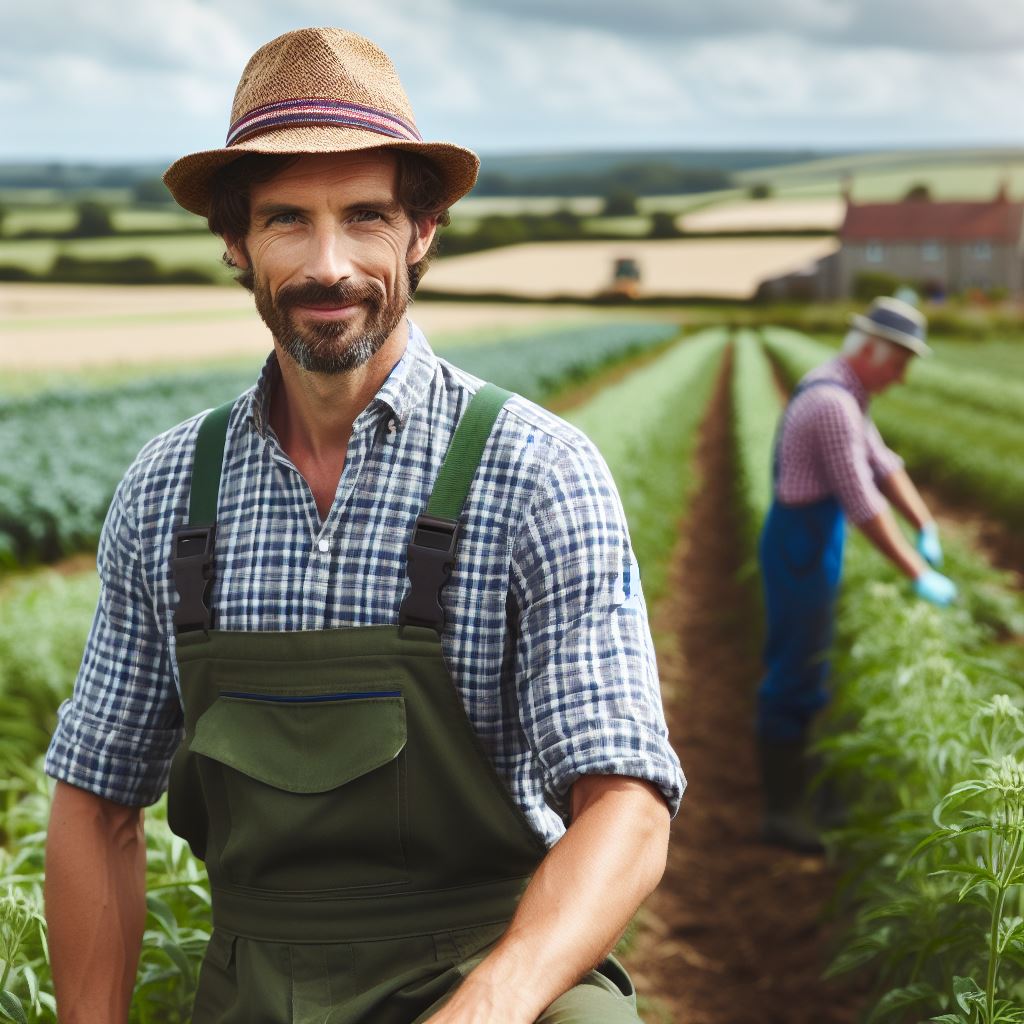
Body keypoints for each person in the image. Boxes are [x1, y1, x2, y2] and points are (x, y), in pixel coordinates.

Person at [42, 26, 684, 1024]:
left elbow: (628, 809)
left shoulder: (536, 472)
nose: (328, 265)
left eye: (366, 217)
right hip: (258, 973)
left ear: (421, 231)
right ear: (235, 239)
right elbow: (92, 801)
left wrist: (485, 1007)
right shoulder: (170, 489)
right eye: (287, 219)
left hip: (493, 961)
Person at [757, 296, 956, 853]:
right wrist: (917, 573)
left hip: (814, 540)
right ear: (871, 351)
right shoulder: (831, 403)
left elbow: (883, 463)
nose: (902, 375)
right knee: (793, 674)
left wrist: (926, 523)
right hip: (799, 545)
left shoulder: (848, 393)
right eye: (899, 361)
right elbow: (860, 498)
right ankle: (782, 812)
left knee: (812, 665)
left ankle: (814, 794)